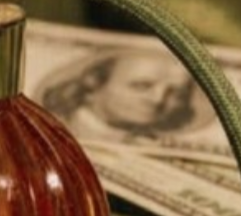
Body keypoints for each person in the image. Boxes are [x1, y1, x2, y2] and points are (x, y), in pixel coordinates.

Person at [39, 47, 214, 144]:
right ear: (94, 85)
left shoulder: (154, 141)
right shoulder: (54, 130)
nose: (158, 99)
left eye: (176, 94)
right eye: (141, 86)